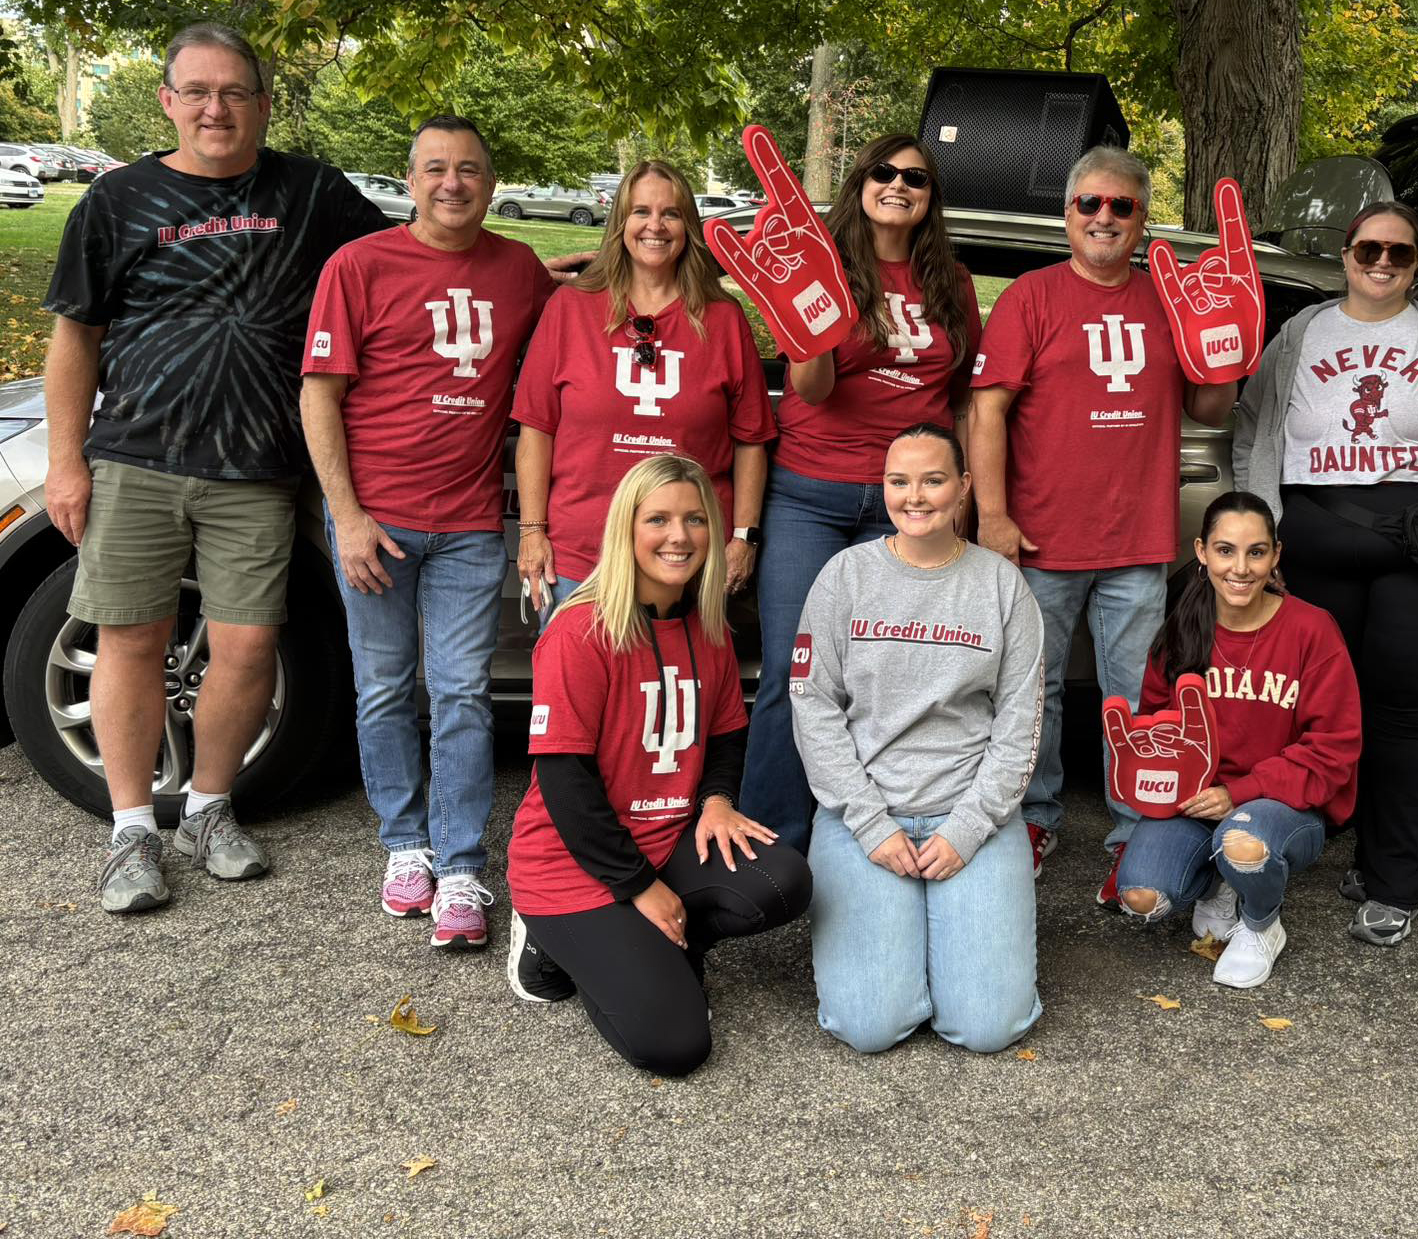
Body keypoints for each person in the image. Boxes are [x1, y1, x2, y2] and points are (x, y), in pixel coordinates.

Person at [42, 22, 388, 914]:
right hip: (136, 457)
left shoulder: (311, 192)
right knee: (130, 638)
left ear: (264, 104)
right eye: (196, 91)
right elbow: (74, 336)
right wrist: (66, 462)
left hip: (258, 468)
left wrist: (542, 277)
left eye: (235, 91)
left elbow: (414, 263)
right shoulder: (116, 203)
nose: (215, 107)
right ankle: (130, 830)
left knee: (245, 645)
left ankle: (205, 808)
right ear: (167, 102)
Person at [1231, 199, 1418, 946]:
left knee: (1401, 705)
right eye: (1370, 250)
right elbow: (1254, 430)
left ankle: (1397, 878)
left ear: (1417, 262)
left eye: (1400, 252)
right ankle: (1340, 843)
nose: (1383, 264)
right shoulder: (1300, 334)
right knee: (1331, 706)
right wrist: (1262, 536)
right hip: (1317, 537)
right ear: (1347, 254)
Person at [301, 115, 555, 948]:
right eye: (436, 169)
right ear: (409, 181)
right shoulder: (360, 265)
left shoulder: (518, 268)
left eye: (470, 170)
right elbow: (320, 395)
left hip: (471, 525)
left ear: (492, 181)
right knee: (382, 690)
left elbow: (571, 321)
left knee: (461, 694)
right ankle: (403, 845)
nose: (454, 183)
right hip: (378, 524)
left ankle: (459, 865)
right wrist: (347, 517)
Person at [971, 146, 1236, 896]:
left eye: (1121, 206)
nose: (1104, 217)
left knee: (1134, 693)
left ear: (1143, 218)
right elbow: (985, 407)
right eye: (1090, 203)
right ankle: (1033, 814)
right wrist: (991, 513)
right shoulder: (1031, 296)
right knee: (1035, 690)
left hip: (1136, 538)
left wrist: (1228, 349)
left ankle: (1133, 825)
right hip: (1042, 535)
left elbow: (1209, 407)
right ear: (1068, 214)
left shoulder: (1169, 297)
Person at [505, 454, 811, 1075]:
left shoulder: (708, 626)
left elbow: (727, 735)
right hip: (573, 865)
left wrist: (718, 801)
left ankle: (655, 950)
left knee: (785, 882)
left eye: (696, 519)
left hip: (666, 840)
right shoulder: (579, 631)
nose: (680, 536)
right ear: (627, 528)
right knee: (676, 1046)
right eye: (660, 520)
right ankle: (550, 945)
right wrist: (640, 887)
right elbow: (566, 785)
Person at [740, 135, 981, 852]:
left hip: (912, 505)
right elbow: (810, 388)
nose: (898, 184)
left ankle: (861, 836)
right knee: (798, 666)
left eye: (916, 177)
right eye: (885, 171)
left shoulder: (952, 282)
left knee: (887, 676)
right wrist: (806, 328)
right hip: (812, 493)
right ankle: (769, 837)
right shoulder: (826, 265)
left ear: (931, 197)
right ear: (860, 182)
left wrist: (965, 495)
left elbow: (961, 397)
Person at [791, 424, 1044, 1053]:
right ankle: (913, 956)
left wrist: (968, 827)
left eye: (933, 480)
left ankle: (949, 955)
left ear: (963, 487)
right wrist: (872, 825)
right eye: (899, 481)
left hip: (969, 812)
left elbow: (1021, 720)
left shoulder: (1000, 585)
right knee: (867, 1027)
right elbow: (812, 706)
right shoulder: (843, 577)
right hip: (866, 815)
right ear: (883, 488)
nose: (916, 496)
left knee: (990, 1028)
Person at [1113, 492, 1361, 989]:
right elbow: (1159, 729)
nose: (1241, 568)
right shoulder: (1183, 629)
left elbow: (1335, 748)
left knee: (1243, 844)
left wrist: (1239, 792)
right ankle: (1218, 883)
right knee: (1142, 896)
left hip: (1279, 803)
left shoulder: (1311, 629)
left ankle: (1261, 923)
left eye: (1256, 552)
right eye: (1226, 551)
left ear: (1276, 556)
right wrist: (1151, 770)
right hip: (1198, 801)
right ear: (1202, 552)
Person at [513, 160, 773, 615]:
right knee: (577, 685)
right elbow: (537, 429)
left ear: (688, 226)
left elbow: (750, 440)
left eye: (671, 213)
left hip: (687, 555)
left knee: (679, 685)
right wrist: (532, 532)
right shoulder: (570, 309)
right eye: (641, 212)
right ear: (620, 223)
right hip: (581, 553)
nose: (656, 225)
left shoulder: (723, 318)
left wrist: (742, 539)